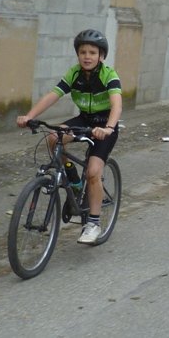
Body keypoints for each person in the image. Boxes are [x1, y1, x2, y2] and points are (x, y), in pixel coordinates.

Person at [16, 29, 123, 244]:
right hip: (84, 120)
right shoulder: (74, 74)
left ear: (101, 56)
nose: (87, 56)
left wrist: (109, 127)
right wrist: (29, 116)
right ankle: (73, 179)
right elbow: (52, 95)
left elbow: (116, 104)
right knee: (54, 138)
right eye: (83, 52)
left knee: (93, 172)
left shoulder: (109, 75)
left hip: (104, 125)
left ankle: (93, 223)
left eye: (92, 52)